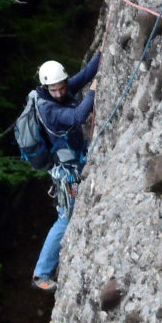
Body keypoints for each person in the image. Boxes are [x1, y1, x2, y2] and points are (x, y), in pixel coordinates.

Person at [31, 55, 100, 292]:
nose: (60, 93)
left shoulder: (61, 88)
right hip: (66, 171)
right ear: (46, 88)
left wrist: (103, 53)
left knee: (66, 216)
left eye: (62, 87)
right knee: (65, 218)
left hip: (74, 162)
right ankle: (41, 274)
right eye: (55, 90)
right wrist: (93, 92)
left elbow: (86, 74)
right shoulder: (48, 108)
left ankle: (43, 271)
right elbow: (78, 117)